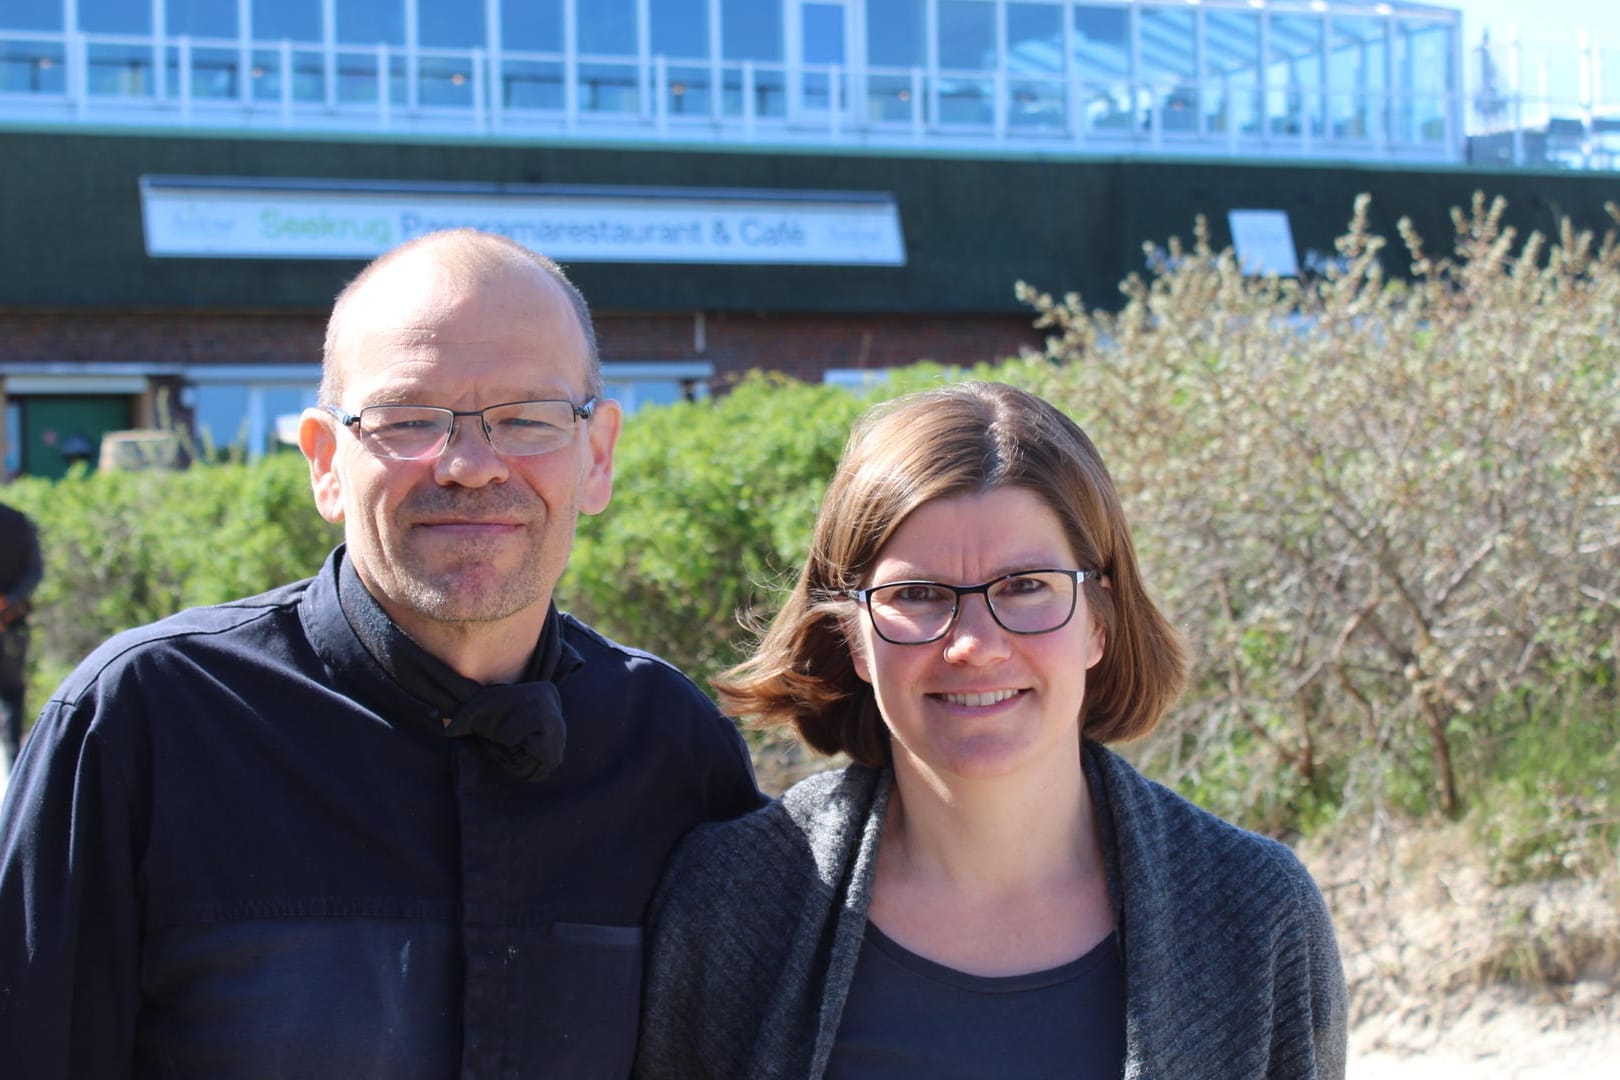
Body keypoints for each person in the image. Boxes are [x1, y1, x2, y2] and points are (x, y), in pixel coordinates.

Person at [0, 229, 762, 1078]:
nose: (472, 465)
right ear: (326, 463)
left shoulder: (673, 752)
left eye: (527, 419)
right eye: (408, 420)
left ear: (599, 455)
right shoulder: (142, 726)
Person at [635, 381, 1348, 1080]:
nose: (974, 644)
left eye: (1025, 586)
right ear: (855, 638)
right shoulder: (730, 902)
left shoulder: (1254, 913)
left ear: (1099, 618)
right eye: (916, 595)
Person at [0, 499, 43, 771]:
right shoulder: (18, 520)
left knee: (12, 693)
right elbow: (34, 574)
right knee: (12, 694)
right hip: (12, 621)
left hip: (11, 623)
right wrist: (7, 602)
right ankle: (15, 766)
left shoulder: (17, 520)